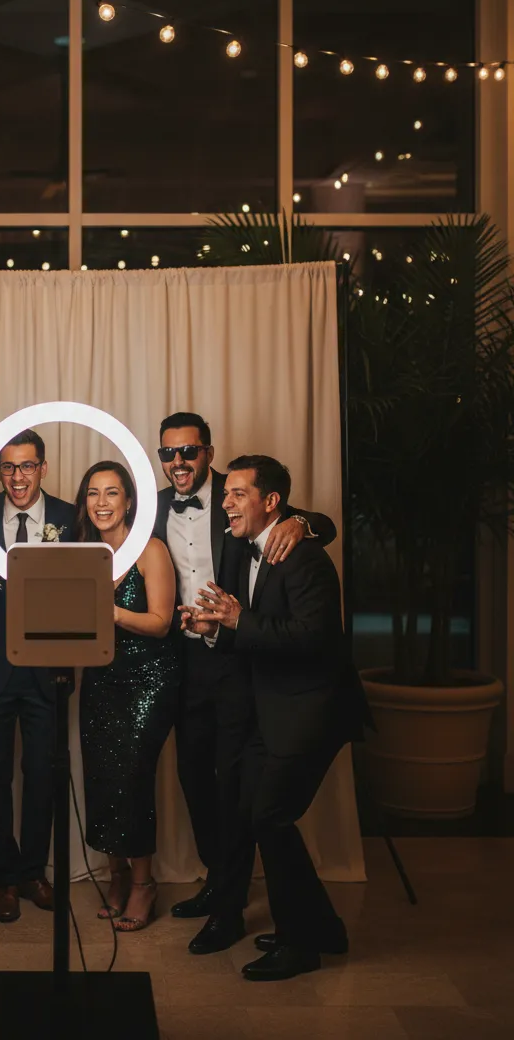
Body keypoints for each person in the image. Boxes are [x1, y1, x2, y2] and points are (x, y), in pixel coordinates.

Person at [153, 412, 336, 956]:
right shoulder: (155, 508)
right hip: (184, 663)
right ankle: (217, 879)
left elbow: (314, 522)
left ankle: (230, 906)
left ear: (208, 453)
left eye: (188, 452)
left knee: (237, 789)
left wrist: (304, 524)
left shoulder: (243, 503)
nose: (178, 463)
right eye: (168, 454)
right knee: (194, 779)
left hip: (240, 664)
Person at [182, 455, 369, 981]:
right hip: (270, 708)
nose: (225, 501)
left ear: (272, 503)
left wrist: (241, 618)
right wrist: (215, 626)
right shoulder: (245, 550)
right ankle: (324, 928)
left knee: (271, 816)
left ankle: (302, 944)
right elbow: (252, 632)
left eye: (238, 494)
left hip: (312, 707)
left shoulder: (305, 558)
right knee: (256, 812)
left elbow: (313, 638)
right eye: (226, 494)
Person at [0, 429, 75, 923]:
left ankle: (34, 872)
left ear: (43, 468)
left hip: (47, 670)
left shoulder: (71, 517)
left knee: (44, 776)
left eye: (27, 466)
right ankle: (4, 878)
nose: (17, 476)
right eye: (8, 467)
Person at [77, 461, 179, 932]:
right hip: (98, 681)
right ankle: (115, 877)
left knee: (132, 779)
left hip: (147, 679)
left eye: (111, 493)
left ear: (129, 502)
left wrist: (110, 611)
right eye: (93, 493)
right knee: (103, 779)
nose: (101, 502)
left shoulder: (150, 549)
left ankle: (144, 885)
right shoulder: (84, 553)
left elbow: (160, 622)